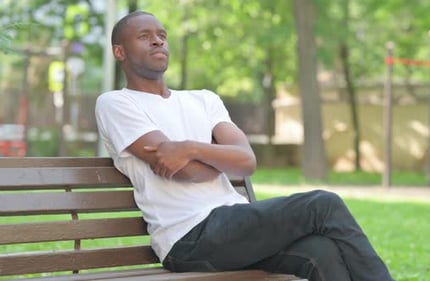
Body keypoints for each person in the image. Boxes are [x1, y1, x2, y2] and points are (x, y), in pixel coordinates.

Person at [95, 11, 394, 281]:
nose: (158, 42)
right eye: (145, 36)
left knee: (321, 252)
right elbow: (184, 171)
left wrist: (189, 147)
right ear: (119, 51)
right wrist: (214, 157)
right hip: (188, 237)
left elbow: (246, 161)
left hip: (233, 224)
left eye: (162, 35)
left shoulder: (203, 99)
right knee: (322, 204)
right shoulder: (117, 103)